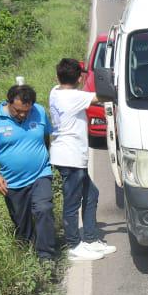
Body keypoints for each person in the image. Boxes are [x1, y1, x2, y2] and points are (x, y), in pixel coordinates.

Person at [0, 84, 56, 262]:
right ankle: (30, 253)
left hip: (40, 173)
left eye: (26, 111)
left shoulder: (39, 112)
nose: (23, 115)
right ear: (9, 102)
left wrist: (47, 157)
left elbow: (46, 136)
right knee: (23, 226)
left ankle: (46, 257)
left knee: (43, 209)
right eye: (18, 111)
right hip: (12, 181)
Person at [49, 58, 115, 260]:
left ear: (58, 76)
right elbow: (103, 96)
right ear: (79, 77)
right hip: (71, 157)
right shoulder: (74, 97)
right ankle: (74, 246)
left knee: (92, 194)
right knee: (72, 203)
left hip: (65, 154)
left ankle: (90, 238)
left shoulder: (55, 92)